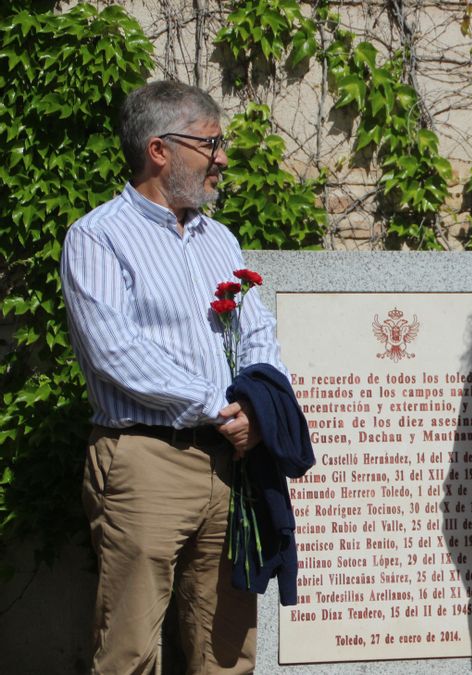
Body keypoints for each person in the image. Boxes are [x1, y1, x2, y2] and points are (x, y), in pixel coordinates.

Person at [61, 81, 285, 673]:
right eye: (210, 143)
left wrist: (259, 410)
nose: (222, 158)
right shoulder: (97, 236)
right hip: (146, 460)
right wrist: (219, 406)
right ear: (160, 150)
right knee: (130, 649)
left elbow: (257, 333)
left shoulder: (220, 238)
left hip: (228, 460)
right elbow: (116, 352)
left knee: (228, 650)